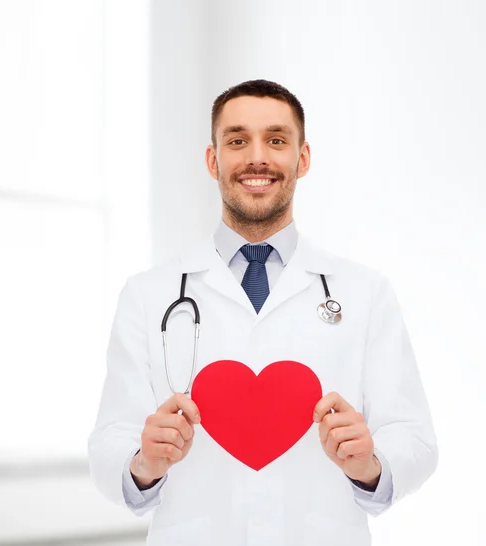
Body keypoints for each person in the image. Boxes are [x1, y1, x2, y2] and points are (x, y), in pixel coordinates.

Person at [87, 79, 438, 546]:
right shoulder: (148, 294)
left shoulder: (366, 293)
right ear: (213, 161)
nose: (257, 157)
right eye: (237, 141)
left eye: (276, 140)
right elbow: (110, 439)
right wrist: (143, 463)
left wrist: (370, 465)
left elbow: (414, 436)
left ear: (303, 158)